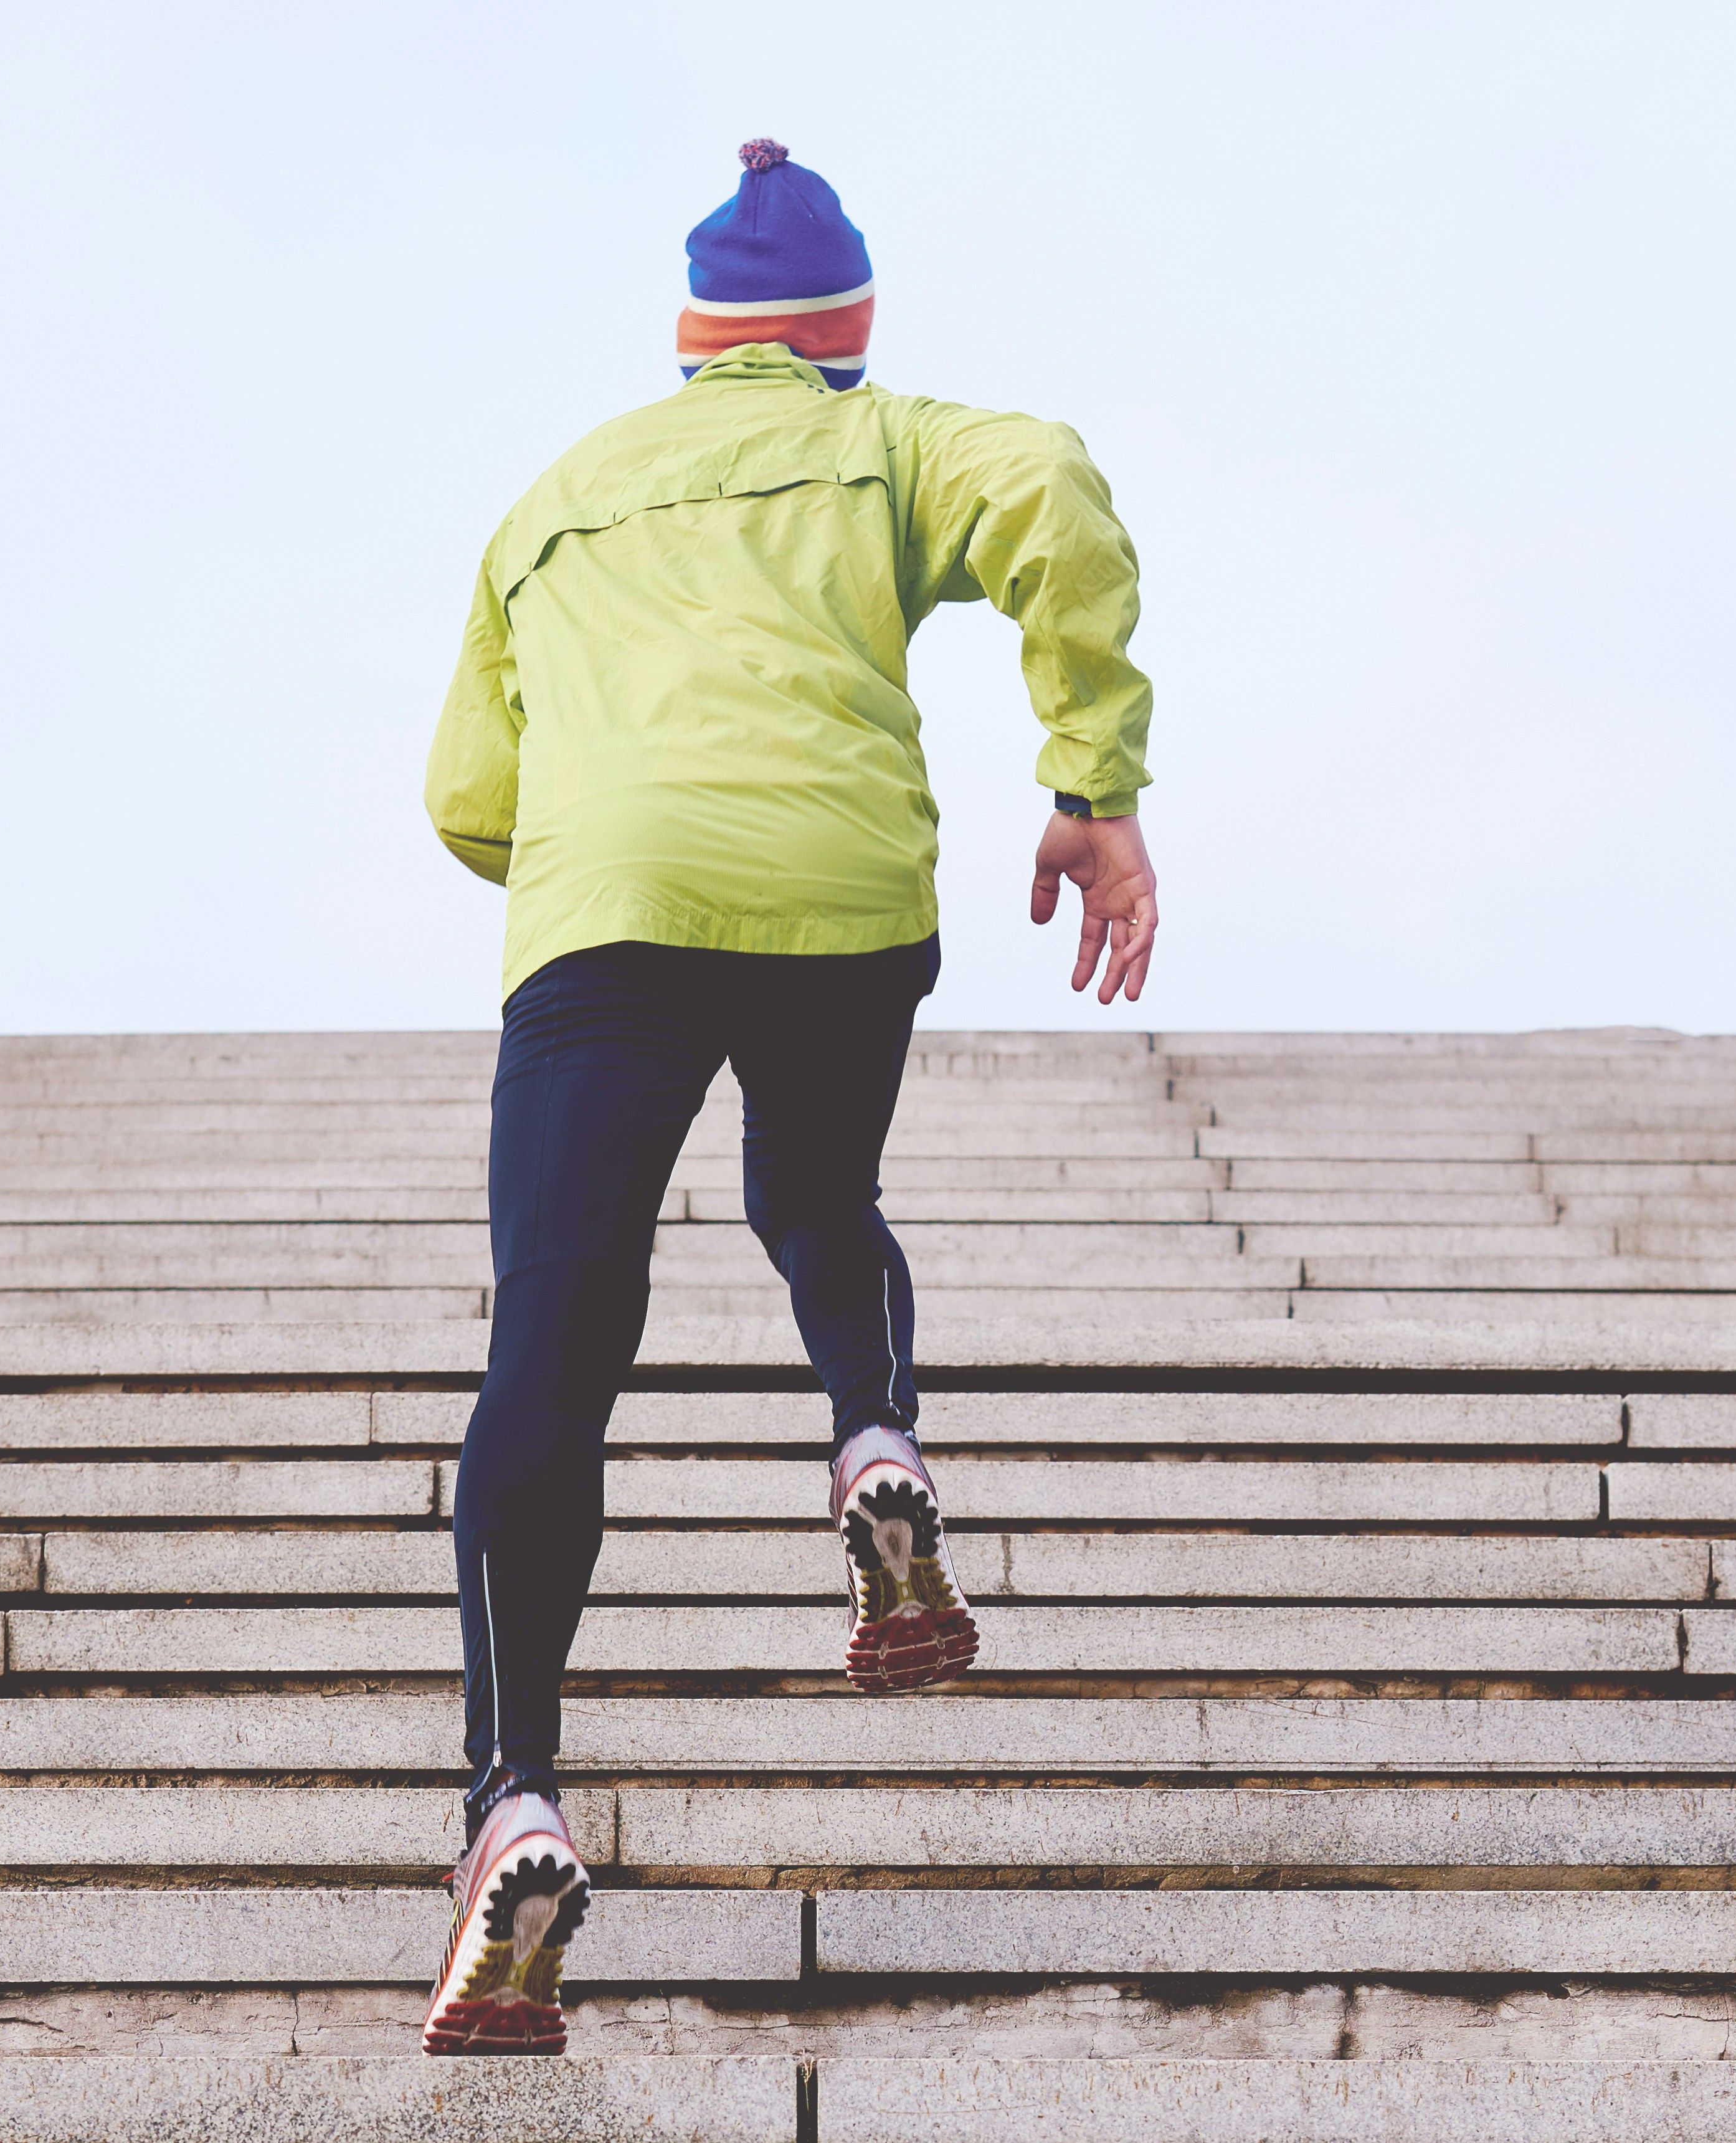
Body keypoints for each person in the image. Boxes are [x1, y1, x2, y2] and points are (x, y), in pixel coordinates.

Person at [419, 140, 1156, 2057]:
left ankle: (512, 1794)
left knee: (555, 1339)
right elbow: (1049, 482)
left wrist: (602, 835)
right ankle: (872, 1440)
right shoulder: (887, 438)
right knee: (815, 1197)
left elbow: (467, 796)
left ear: (690, 338)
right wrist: (1089, 779)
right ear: (847, 330)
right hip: (840, 888)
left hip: (606, 913)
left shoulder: (556, 494)